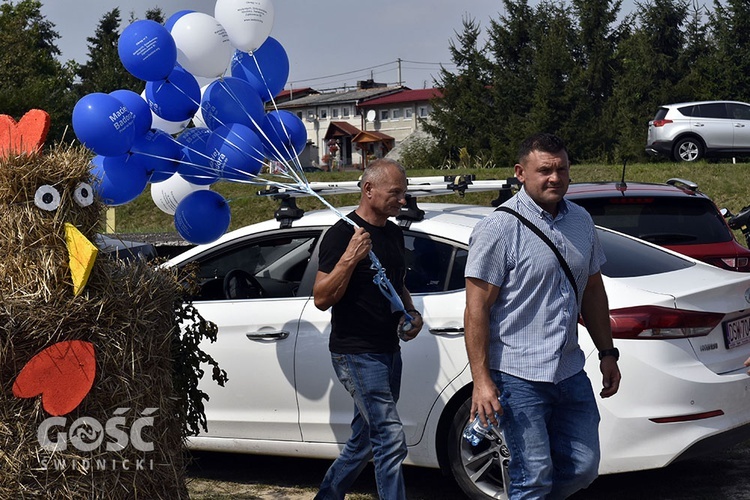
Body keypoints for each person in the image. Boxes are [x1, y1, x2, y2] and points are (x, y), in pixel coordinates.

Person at [464, 133, 621, 499]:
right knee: (531, 477)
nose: (555, 178)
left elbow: (593, 291)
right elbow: (476, 310)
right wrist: (482, 381)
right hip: (518, 377)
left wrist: (608, 353)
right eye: (545, 170)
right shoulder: (498, 229)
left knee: (583, 468)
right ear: (521, 172)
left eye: (562, 169)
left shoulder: (580, 221)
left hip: (569, 371)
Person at [313, 158, 424, 500]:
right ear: (368, 190)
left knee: (363, 441)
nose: (401, 200)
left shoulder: (392, 232)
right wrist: (349, 258)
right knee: (389, 437)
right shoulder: (342, 234)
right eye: (395, 193)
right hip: (356, 352)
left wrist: (411, 312)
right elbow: (320, 298)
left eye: (404, 193)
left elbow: (397, 282)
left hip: (389, 348)